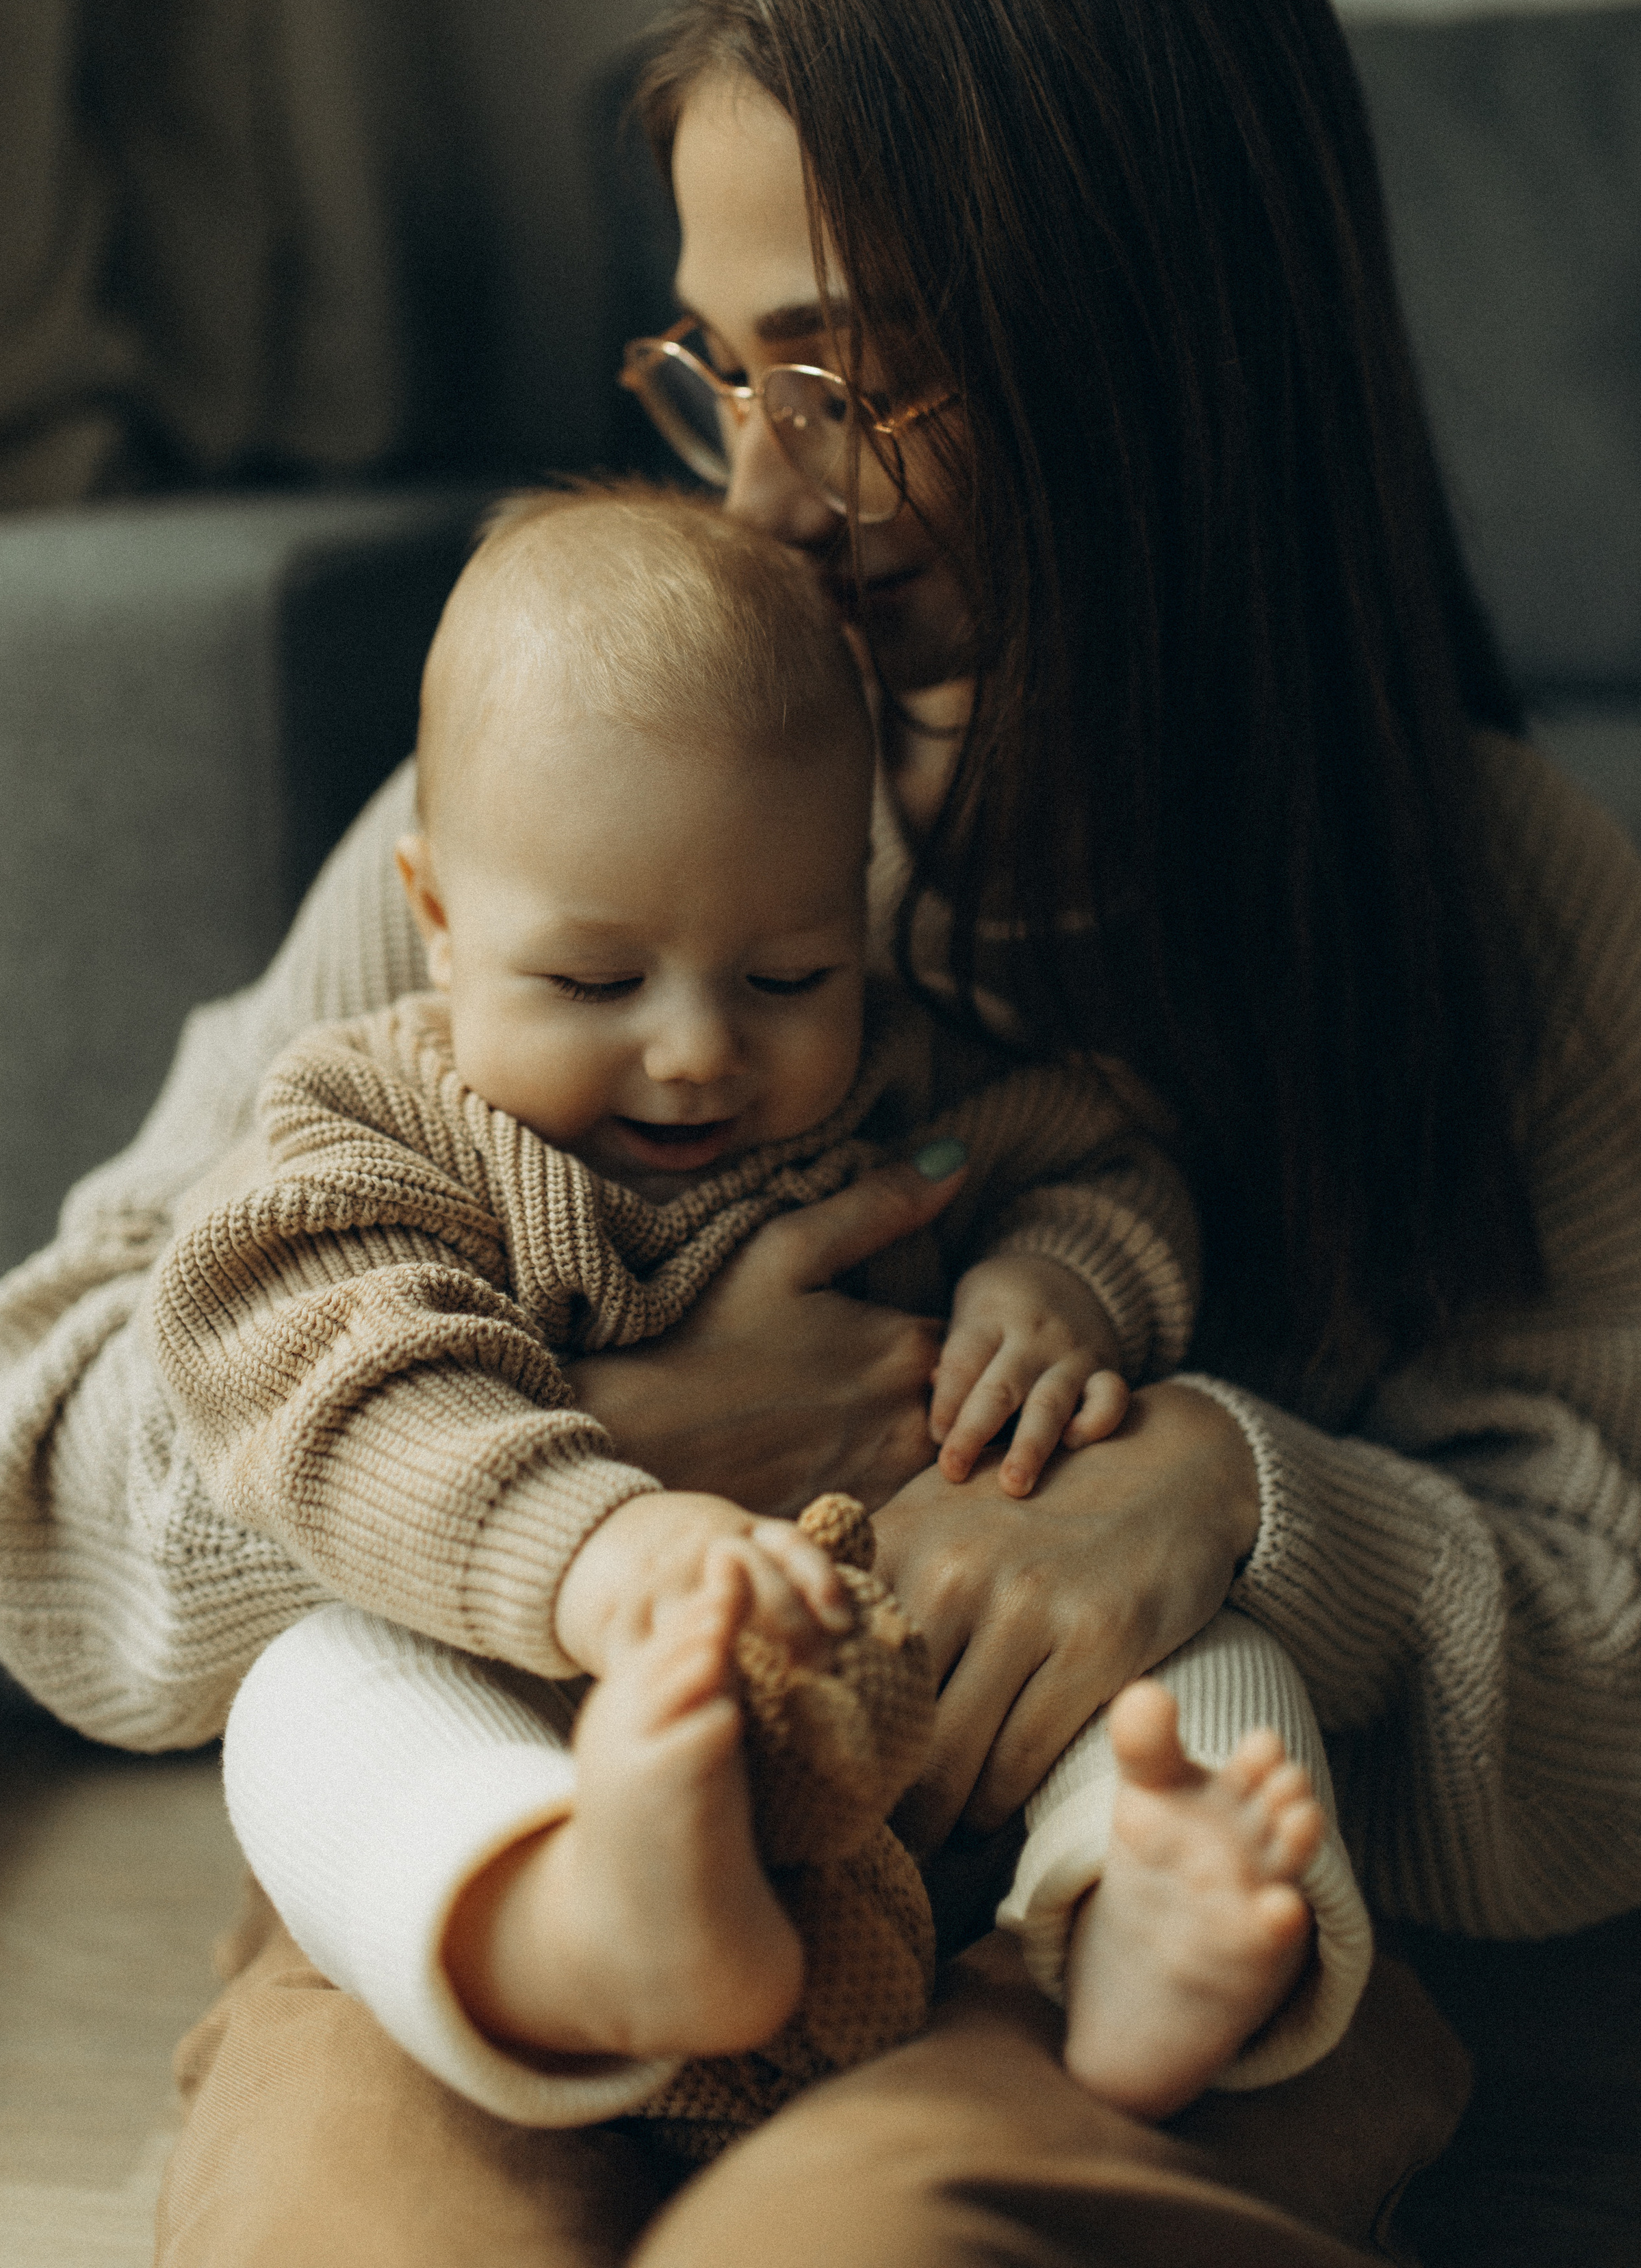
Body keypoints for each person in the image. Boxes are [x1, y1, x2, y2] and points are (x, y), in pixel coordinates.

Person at [0, 0, 1641, 2268]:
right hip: (542, 1866)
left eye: (859, 378)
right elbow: (40, 1498)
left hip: (1112, 1954)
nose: (764, 496)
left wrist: (1231, 1496)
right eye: (716, 369)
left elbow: (1630, 1682)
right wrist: (585, 1472)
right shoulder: (573, 815)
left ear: (1163, 355)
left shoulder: (1492, 902)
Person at [163, 481, 1366, 2134]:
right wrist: (598, 1552)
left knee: (1194, 1657)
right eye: (593, 982)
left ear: (852, 915)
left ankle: (1134, 1917)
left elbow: (1096, 1155)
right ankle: (576, 1927)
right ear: (434, 918)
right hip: (549, 1717)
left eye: (785, 974)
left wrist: (1053, 1283)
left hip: (911, 1701)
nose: (694, 1049)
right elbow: (309, 1363)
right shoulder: (382, 1131)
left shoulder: (897, 1088)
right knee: (315, 1697)